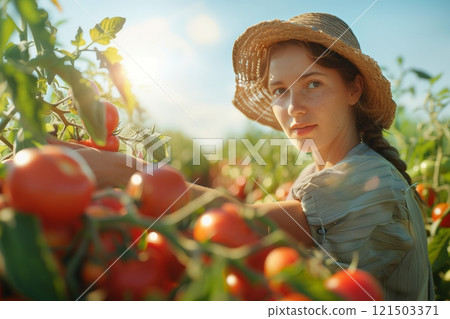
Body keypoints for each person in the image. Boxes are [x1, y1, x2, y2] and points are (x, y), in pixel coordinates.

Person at [49, 12, 434, 301]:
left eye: (313, 84)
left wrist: (121, 170)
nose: (293, 106)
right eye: (280, 90)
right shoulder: (317, 176)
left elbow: (249, 227)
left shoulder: (373, 180)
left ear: (354, 90)